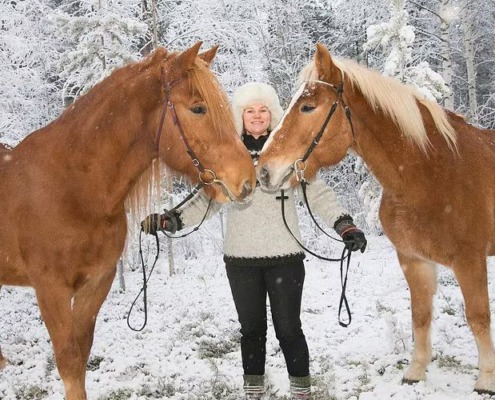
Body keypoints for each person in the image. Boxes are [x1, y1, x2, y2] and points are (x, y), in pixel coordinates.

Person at [142, 82, 367, 400]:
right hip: (240, 259)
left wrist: (345, 226)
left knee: (289, 330)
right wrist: (170, 219)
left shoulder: (290, 153)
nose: (257, 116)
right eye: (250, 111)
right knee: (251, 332)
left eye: (263, 110)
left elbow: (317, 194)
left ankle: (302, 393)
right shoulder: (227, 156)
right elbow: (205, 200)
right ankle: (253, 393)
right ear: (241, 116)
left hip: (284, 257)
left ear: (272, 114)